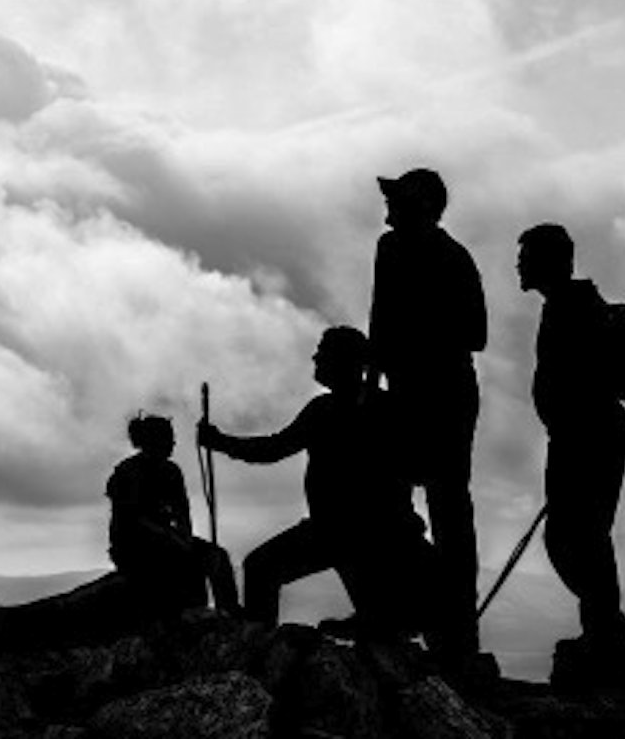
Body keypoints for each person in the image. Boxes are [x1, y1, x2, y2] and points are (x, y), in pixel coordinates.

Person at [198, 326, 436, 638]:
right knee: (261, 567)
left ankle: (260, 645)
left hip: (362, 530)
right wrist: (222, 442)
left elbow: (274, 448)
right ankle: (376, 620)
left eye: (324, 353)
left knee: (262, 567)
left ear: (344, 361)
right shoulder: (332, 409)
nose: (316, 358)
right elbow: (275, 448)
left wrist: (221, 442)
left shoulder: (363, 409)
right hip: (343, 529)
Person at [368, 168, 486, 658]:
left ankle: (455, 632)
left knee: (447, 510)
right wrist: (373, 384)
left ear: (420, 207)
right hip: (407, 396)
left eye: (396, 201)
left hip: (444, 399)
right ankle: (405, 614)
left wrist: (406, 349)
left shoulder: (452, 259)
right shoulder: (391, 248)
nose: (387, 210)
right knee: (392, 503)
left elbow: (475, 334)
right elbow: (379, 319)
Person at [517, 223, 625, 673]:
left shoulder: (573, 308)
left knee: (577, 539)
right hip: (584, 437)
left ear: (552, 261)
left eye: (527, 257)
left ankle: (606, 635)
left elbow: (580, 382)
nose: (519, 265)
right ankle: (604, 632)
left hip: (585, 439)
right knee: (579, 538)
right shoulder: (569, 305)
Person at [107, 413, 240, 617]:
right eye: (169, 438)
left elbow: (182, 512)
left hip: (167, 539)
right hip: (133, 546)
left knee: (217, 557)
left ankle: (229, 613)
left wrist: (184, 537)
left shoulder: (171, 472)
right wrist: (174, 539)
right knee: (184, 561)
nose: (174, 443)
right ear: (154, 441)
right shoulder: (128, 472)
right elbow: (133, 519)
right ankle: (194, 612)